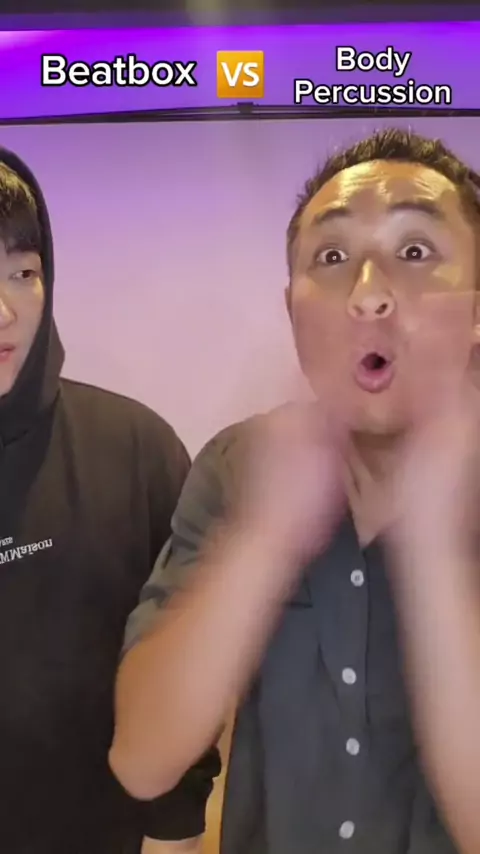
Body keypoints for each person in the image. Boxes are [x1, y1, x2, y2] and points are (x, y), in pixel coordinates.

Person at [110, 127, 480, 854]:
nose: (367, 295)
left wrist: (435, 552)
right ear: (292, 311)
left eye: (414, 251)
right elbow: (143, 761)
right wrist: (261, 542)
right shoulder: (238, 464)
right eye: (332, 257)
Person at [0, 146, 220, 853]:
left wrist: (176, 831)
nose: (4, 311)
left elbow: (187, 660)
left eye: (23, 273)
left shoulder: (135, 448)